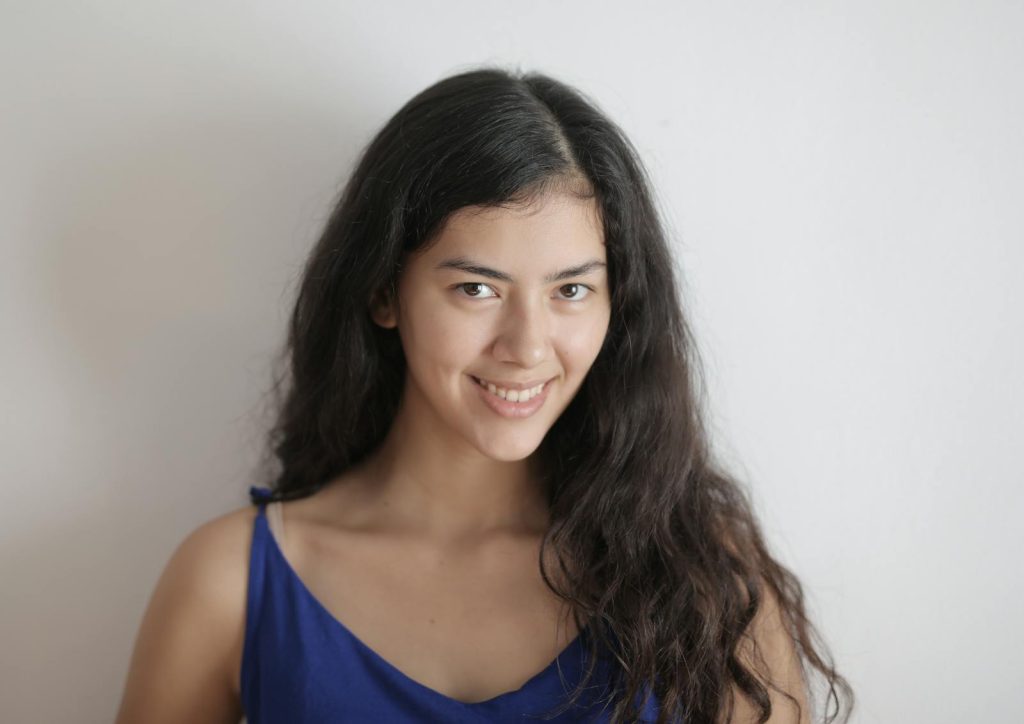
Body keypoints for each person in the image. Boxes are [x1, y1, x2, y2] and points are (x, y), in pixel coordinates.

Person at [115, 67, 852, 723]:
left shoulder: (704, 579)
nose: (528, 346)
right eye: (476, 288)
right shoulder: (229, 584)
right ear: (383, 291)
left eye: (571, 289)